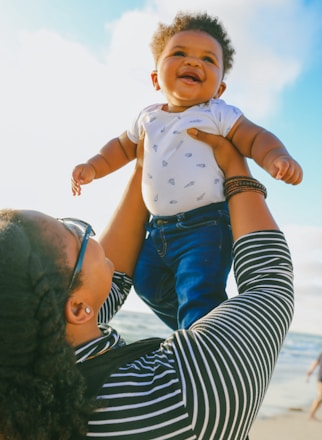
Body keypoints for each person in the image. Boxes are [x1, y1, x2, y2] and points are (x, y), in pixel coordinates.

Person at [1, 130, 294, 439]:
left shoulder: (33, 388)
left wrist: (147, 165)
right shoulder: (178, 396)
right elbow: (269, 282)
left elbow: (110, 277)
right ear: (76, 308)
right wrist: (236, 167)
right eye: (75, 232)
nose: (91, 234)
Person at [71, 12, 302, 331]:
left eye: (207, 59)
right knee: (147, 284)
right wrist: (93, 167)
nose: (193, 62)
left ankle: (202, 337)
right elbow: (121, 147)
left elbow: (255, 137)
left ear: (220, 88)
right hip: (158, 229)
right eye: (179, 53)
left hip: (206, 226)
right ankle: (192, 331)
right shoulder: (148, 117)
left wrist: (276, 156)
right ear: (155, 79)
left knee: (199, 292)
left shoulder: (217, 113)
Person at [306, 351, 322, 420]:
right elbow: (316, 362)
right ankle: (311, 413)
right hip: (321, 378)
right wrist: (311, 370)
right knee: (320, 396)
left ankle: (312, 413)